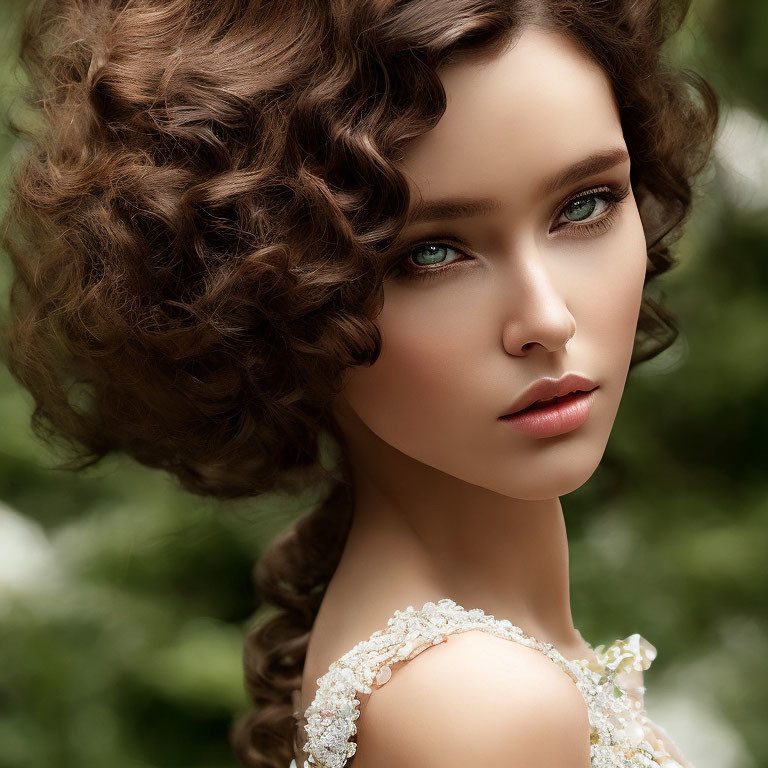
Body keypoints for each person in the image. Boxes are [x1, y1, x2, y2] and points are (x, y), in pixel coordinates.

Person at [0, 1, 718, 767]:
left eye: (585, 204)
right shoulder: (481, 708)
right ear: (278, 300)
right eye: (430, 255)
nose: (547, 318)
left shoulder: (454, 673)